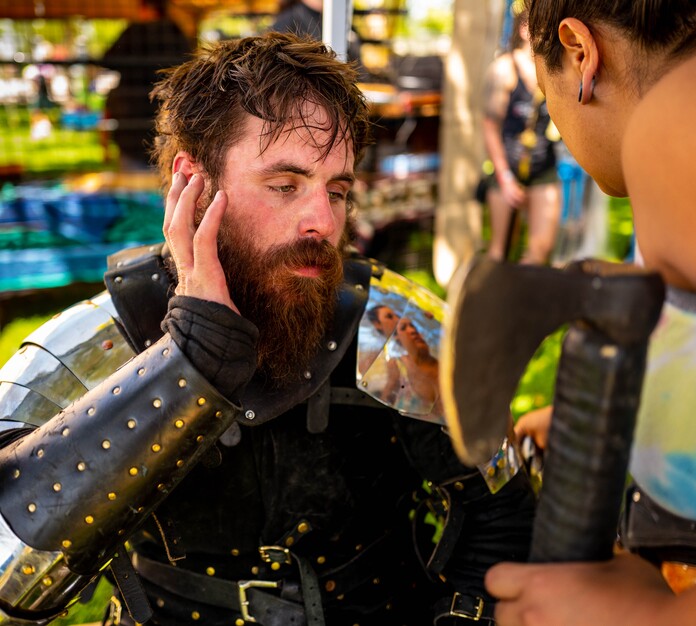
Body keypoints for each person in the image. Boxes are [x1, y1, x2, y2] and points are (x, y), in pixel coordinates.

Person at [0, 33, 535, 626]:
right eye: (285, 185)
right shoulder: (107, 335)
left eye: (337, 189)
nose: (324, 221)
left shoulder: (390, 322)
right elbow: (14, 580)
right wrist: (189, 360)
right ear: (192, 183)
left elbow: (506, 515)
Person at [484, 2, 696, 624]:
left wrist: (649, 617)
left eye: (545, 91)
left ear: (581, 50)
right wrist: (636, 427)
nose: (553, 119)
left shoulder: (674, 122)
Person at [481, 8, 562, 264]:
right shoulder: (505, 69)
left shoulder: (555, 69)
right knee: (499, 251)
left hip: (543, 167)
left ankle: (521, 300)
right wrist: (504, 176)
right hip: (508, 166)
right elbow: (489, 125)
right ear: (524, 29)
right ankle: (491, 301)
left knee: (540, 248)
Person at [101, 0, 192, 170]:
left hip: (131, 122)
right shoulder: (175, 34)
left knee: (134, 190)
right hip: (166, 119)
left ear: (144, 8)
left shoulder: (134, 32)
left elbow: (106, 60)